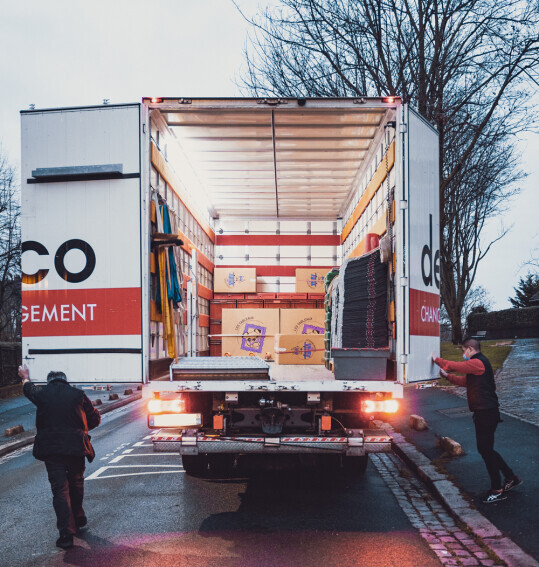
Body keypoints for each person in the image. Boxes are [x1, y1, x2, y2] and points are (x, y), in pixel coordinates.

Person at [18, 365, 101, 549]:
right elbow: (95, 419)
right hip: (76, 448)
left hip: (52, 451)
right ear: (65, 380)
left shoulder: (42, 394)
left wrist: (25, 376)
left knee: (60, 491)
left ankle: (66, 534)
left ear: (49, 381)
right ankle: (78, 517)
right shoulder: (77, 395)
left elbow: (28, 389)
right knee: (77, 483)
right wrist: (81, 430)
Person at [433, 338, 521, 504]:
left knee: (485, 450)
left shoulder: (478, 362)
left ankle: (497, 489)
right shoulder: (478, 366)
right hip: (485, 412)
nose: (462, 354)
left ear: (470, 349)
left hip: (486, 413)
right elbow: (466, 381)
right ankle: (511, 478)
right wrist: (447, 377)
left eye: (463, 351)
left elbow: (456, 366)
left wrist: (437, 361)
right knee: (487, 450)